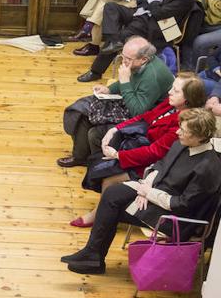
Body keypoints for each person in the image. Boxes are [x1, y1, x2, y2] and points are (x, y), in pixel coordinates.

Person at [61, 108, 221, 274]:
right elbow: (160, 166)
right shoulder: (182, 144)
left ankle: (93, 258)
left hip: (176, 218)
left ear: (200, 137)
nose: (178, 132)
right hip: (157, 193)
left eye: (184, 130)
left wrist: (148, 194)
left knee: (113, 207)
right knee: (112, 193)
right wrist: (147, 186)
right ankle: (92, 255)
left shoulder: (207, 167)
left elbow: (182, 204)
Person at [70, 73, 206, 227]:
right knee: (102, 161)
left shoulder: (183, 122)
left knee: (109, 179)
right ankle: (106, 211)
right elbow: (145, 117)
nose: (169, 92)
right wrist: (116, 129)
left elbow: (156, 152)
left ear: (188, 98)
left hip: (155, 165)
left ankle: (99, 216)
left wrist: (118, 155)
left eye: (175, 91)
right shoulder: (171, 105)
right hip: (139, 150)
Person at [58, 36, 175, 167]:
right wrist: (109, 90)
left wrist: (124, 82)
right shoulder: (140, 65)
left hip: (146, 117)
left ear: (144, 59)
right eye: (123, 56)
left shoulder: (152, 76)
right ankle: (80, 157)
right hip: (132, 101)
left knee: (94, 131)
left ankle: (97, 165)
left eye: (128, 59)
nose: (123, 62)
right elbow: (131, 81)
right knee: (82, 109)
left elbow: (138, 111)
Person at [77, 0, 197, 83]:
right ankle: (114, 41)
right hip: (144, 13)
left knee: (123, 34)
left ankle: (95, 72)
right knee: (110, 7)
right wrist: (151, 0)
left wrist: (154, 1)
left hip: (161, 28)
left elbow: (159, 14)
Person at [181, 0, 221, 71]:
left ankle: (196, 72)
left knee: (200, 41)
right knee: (191, 27)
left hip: (217, 21)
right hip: (214, 18)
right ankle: (185, 63)